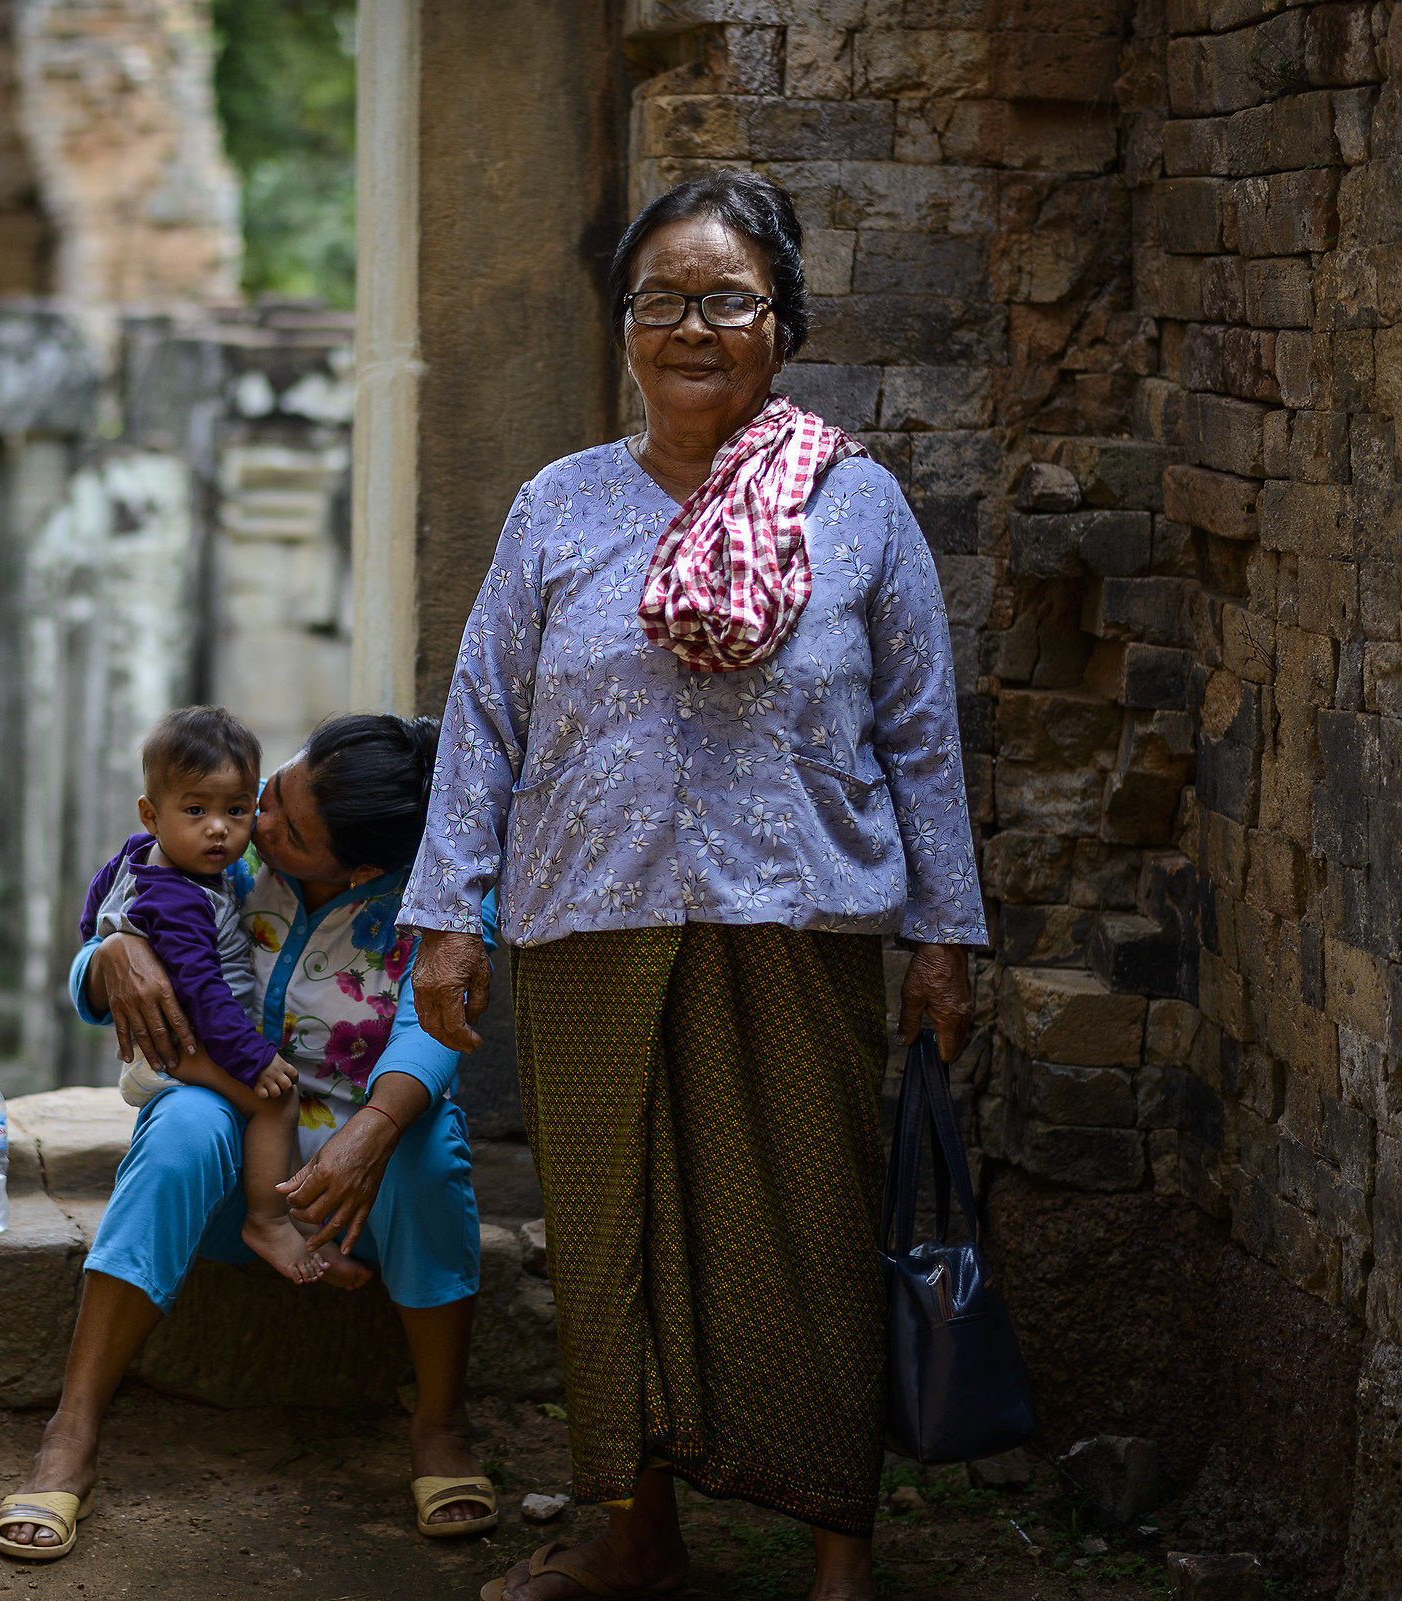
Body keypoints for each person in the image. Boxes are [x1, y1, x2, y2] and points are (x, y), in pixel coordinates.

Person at [400, 171, 987, 1601]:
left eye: (727, 298)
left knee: (806, 1240)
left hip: (791, 922)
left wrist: (943, 935)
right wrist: (447, 918)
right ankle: (637, 1535)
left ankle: (838, 1552)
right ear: (622, 327)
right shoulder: (558, 505)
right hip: (588, 923)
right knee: (613, 1245)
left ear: (783, 321)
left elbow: (922, 731)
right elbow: (483, 719)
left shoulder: (855, 506)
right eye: (659, 299)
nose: (691, 328)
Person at [0, 714, 502, 1561]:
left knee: (424, 1141)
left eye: (288, 829)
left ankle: (441, 1424)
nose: (256, 825)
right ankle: (71, 1431)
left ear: (361, 870)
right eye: (272, 794)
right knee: (184, 1124)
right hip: (231, 1180)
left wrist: (370, 1132)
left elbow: (433, 1034)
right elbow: (103, 953)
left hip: (352, 1200)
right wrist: (110, 953)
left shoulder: (442, 897)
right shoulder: (222, 837)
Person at [79, 706, 346, 1287]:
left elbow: (99, 900)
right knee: (277, 1099)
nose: (218, 828)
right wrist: (252, 1058)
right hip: (184, 1044)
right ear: (152, 814)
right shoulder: (179, 901)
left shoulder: (141, 854)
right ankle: (268, 1222)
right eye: (196, 810)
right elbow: (202, 991)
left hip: (182, 1040)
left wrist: (107, 933)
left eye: (237, 810)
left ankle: (298, 1223)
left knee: (268, 1098)